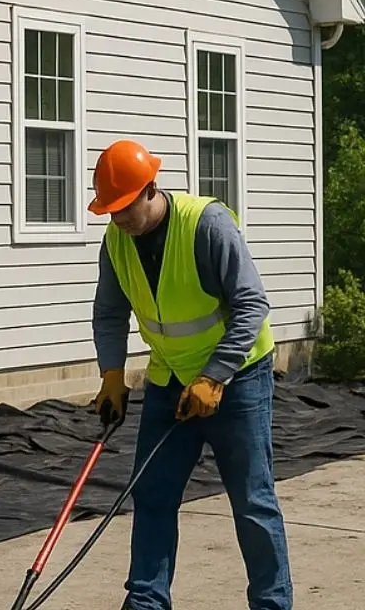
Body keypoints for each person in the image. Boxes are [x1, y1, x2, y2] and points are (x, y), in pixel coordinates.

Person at [87, 139, 292, 610]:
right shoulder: (117, 241)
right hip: (169, 382)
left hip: (238, 380)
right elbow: (109, 313)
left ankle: (272, 604)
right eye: (109, 210)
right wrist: (112, 375)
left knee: (252, 503)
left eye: (123, 208)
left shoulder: (207, 225)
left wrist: (215, 376)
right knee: (153, 495)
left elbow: (252, 305)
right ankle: (146, 602)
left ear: (149, 190)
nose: (117, 219)